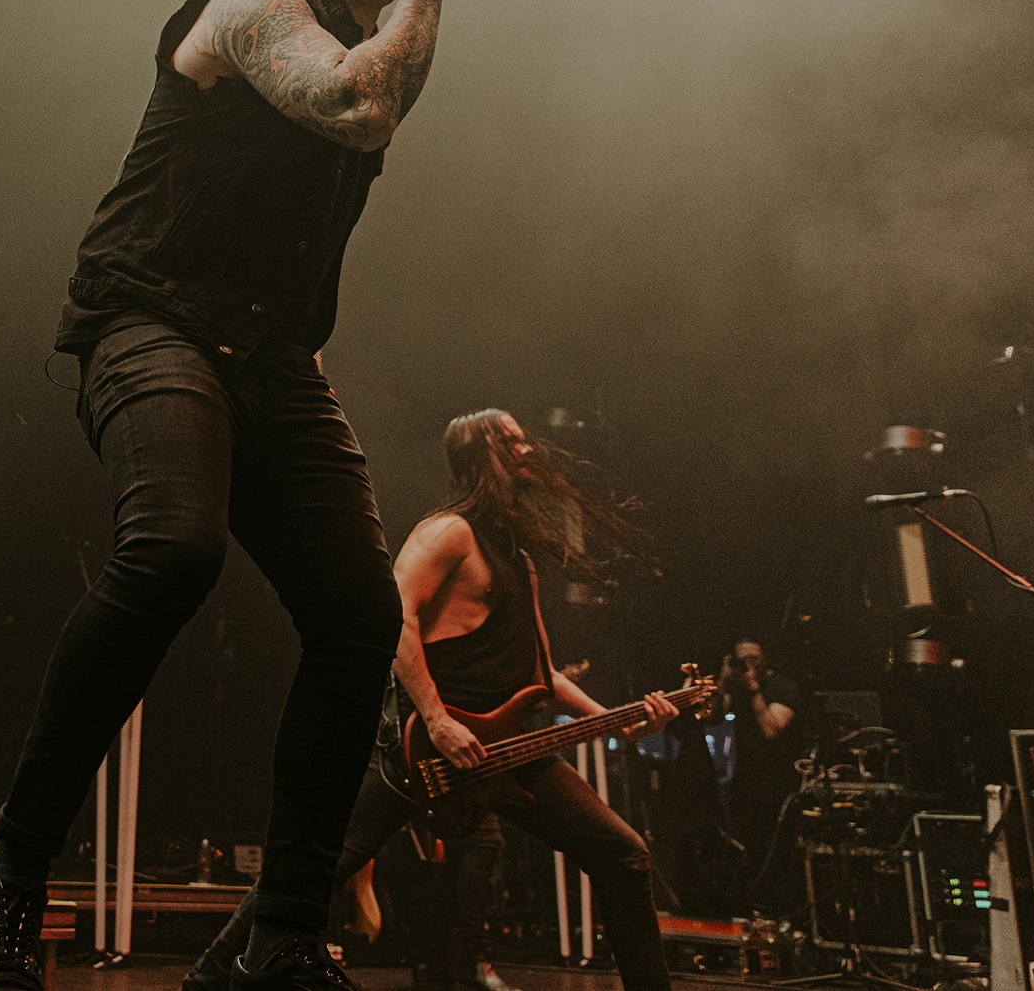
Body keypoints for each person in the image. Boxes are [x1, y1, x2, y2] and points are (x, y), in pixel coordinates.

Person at [0, 0, 457, 991]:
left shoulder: (382, 36)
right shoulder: (250, 5)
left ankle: (278, 938)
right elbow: (355, 106)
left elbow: (380, 93)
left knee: (358, 614)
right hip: (151, 321)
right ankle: (12, 877)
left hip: (274, 362)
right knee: (173, 548)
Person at [183, 410, 679, 991]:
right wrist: (438, 720)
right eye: (510, 441)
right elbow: (396, 616)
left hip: (508, 749)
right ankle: (207, 981)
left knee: (624, 855)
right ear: (477, 453)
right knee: (319, 866)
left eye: (524, 440)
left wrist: (615, 721)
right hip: (425, 745)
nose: (526, 450)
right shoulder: (449, 532)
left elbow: (542, 673)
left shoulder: (517, 558)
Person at [719, 639, 803, 905]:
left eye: (753, 658)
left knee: (773, 851)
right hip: (745, 781)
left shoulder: (781, 686)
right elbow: (712, 715)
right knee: (743, 848)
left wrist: (754, 690)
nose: (748, 664)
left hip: (777, 782)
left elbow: (771, 728)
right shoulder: (737, 688)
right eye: (741, 659)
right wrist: (724, 680)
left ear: (765, 658)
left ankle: (776, 904)